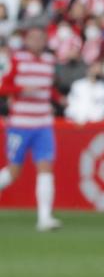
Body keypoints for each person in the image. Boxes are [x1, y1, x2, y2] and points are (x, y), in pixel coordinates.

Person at [0, 20, 60, 231]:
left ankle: (44, 218)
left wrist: (58, 99)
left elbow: (48, 89)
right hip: (20, 123)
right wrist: (21, 88)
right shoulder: (17, 60)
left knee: (46, 166)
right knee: (13, 172)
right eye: (33, 38)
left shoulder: (49, 61)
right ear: (26, 40)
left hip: (43, 122)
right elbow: (3, 87)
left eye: (41, 38)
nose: (37, 41)